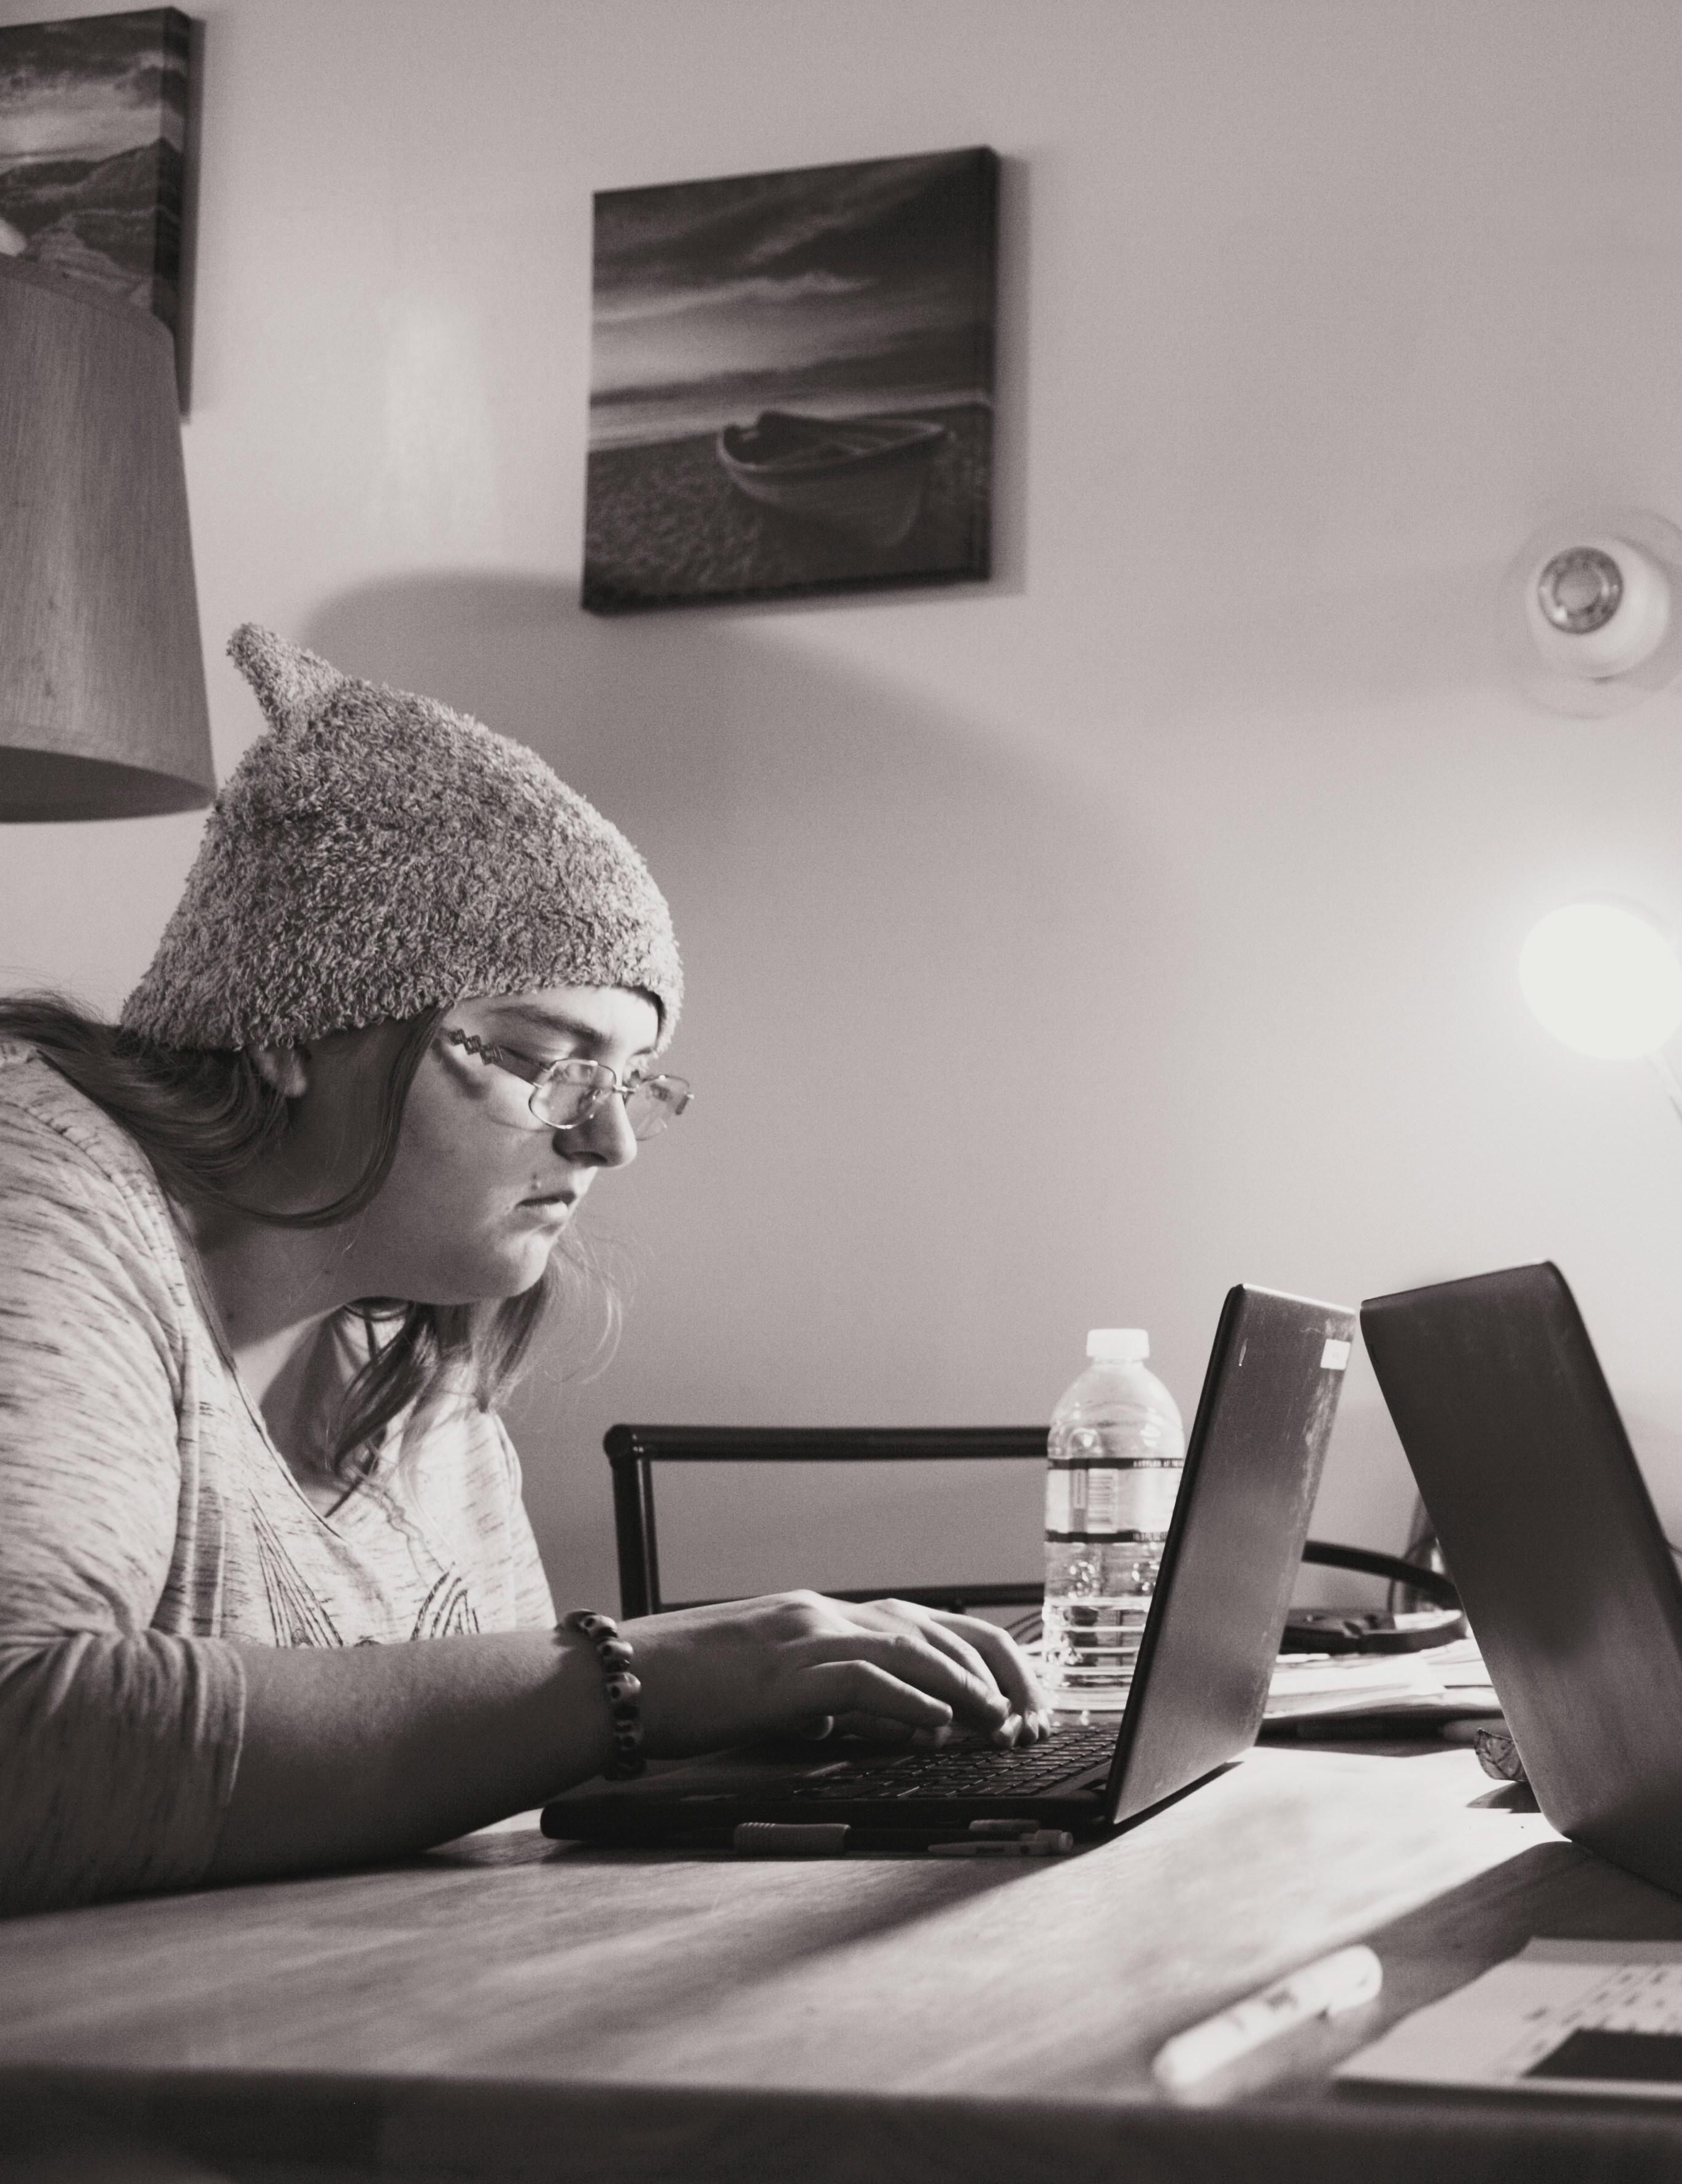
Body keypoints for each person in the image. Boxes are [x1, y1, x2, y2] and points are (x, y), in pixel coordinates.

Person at [0, 628, 1042, 1917]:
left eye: (630, 1083)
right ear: (288, 1028)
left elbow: (476, 1788)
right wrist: (647, 1677)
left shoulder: (410, 1342)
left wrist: (751, 1733)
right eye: (549, 1060)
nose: (605, 1139)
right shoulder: (35, 1181)